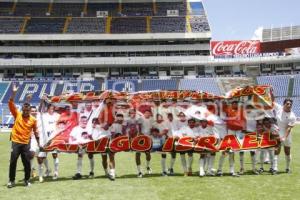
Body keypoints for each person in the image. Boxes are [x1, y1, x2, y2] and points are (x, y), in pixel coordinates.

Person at [7, 84, 39, 188]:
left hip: (26, 143)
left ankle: (26, 180)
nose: (25, 112)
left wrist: (39, 143)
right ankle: (12, 181)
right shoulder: (17, 114)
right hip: (16, 142)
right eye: (24, 110)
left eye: (27, 110)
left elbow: (36, 132)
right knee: (13, 161)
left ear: (30, 111)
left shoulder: (33, 120)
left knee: (26, 162)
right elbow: (10, 102)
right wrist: (14, 93)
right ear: (22, 110)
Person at [37, 104, 60, 182]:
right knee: (41, 157)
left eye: (52, 109)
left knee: (55, 155)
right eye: (50, 109)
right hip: (45, 139)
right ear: (47, 109)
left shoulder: (57, 115)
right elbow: (39, 110)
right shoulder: (43, 115)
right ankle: (44, 172)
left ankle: (56, 172)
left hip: (54, 138)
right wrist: (42, 101)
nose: (51, 110)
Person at [273, 99, 296, 174]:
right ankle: (275, 168)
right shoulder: (279, 108)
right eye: (287, 104)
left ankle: (287, 168)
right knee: (277, 150)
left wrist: (284, 137)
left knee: (287, 151)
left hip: (287, 135)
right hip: (277, 132)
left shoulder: (292, 116)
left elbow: (288, 128)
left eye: (290, 104)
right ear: (284, 104)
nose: (289, 105)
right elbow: (270, 102)